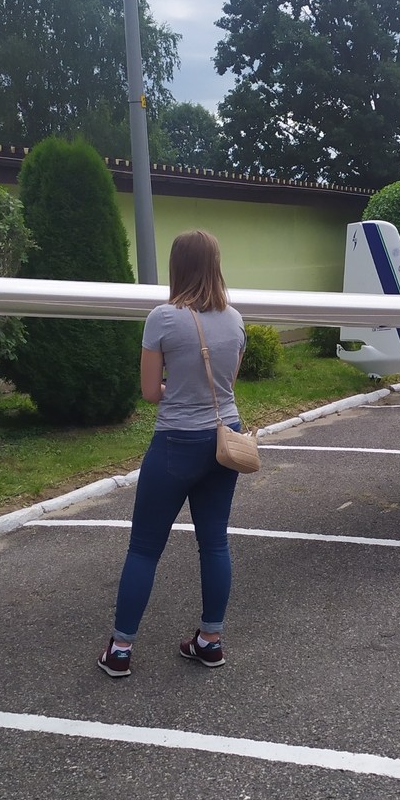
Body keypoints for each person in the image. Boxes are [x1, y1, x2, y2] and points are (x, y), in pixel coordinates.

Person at [99, 230, 247, 678]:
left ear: (176, 266)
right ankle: (210, 640)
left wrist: (173, 387)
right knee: (214, 542)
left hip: (176, 442)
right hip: (224, 439)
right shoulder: (235, 319)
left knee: (144, 548)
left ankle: (121, 649)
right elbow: (225, 385)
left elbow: (150, 392)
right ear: (216, 265)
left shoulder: (163, 318)